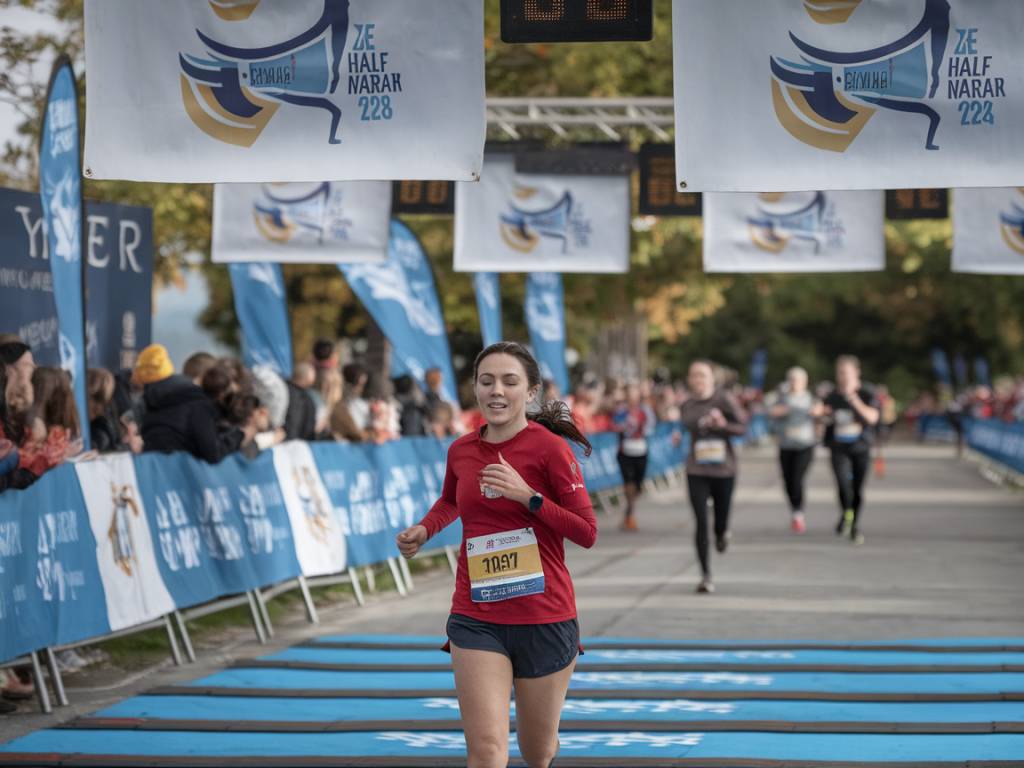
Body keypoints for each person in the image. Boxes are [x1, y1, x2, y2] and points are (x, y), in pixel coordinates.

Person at [396, 341, 597, 768]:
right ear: (475, 388)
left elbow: (586, 532)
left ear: (531, 392)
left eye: (509, 381)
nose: (496, 391)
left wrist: (529, 498)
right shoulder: (462, 450)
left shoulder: (550, 449)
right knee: (486, 750)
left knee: (537, 751)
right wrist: (425, 528)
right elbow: (450, 500)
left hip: (544, 616)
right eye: (486, 382)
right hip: (477, 616)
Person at [679, 359, 747, 594]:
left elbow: (742, 427)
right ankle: (705, 575)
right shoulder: (686, 405)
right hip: (696, 469)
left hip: (724, 470)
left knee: (720, 519)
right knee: (700, 521)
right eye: (693, 375)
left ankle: (722, 533)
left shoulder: (724, 399)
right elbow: (684, 426)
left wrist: (723, 425)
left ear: (711, 379)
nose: (697, 380)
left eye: (702, 375)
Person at [136, 344, 233, 463]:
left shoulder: (158, 397)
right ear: (203, 377)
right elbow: (212, 453)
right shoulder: (197, 403)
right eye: (215, 377)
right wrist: (240, 434)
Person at [823, 355, 880, 545]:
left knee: (857, 488)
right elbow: (823, 416)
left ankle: (853, 522)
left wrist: (853, 398)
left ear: (856, 372)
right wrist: (819, 415)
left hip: (860, 447)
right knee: (842, 484)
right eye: (840, 373)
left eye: (846, 372)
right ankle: (846, 513)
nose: (843, 377)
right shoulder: (832, 395)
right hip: (838, 447)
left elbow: (872, 417)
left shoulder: (867, 392)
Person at [769, 367, 823, 534]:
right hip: (786, 445)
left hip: (805, 446)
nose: (795, 383)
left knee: (797, 478)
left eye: (798, 379)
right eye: (792, 379)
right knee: (788, 480)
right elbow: (771, 414)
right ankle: (794, 510)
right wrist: (780, 412)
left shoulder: (811, 399)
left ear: (805, 382)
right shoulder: (782, 399)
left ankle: (798, 514)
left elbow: (820, 415)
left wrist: (817, 414)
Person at [612, 382, 655, 532]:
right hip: (625, 451)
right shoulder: (621, 410)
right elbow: (615, 425)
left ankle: (629, 510)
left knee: (638, 486)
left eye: (634, 393)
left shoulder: (645, 410)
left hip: (640, 450)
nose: (632, 396)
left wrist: (640, 427)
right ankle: (630, 514)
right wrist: (625, 426)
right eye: (629, 393)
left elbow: (651, 427)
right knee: (628, 482)